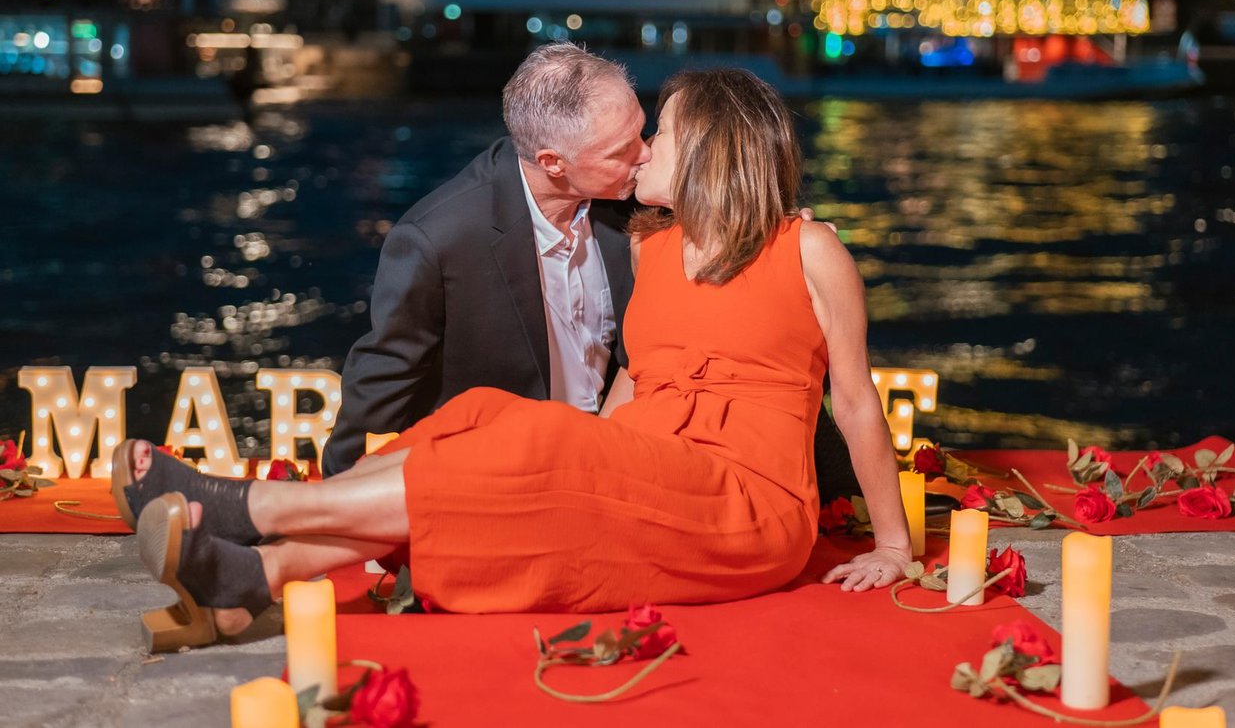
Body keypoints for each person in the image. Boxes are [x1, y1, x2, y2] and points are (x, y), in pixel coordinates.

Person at [116, 68, 912, 652]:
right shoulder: (652, 247)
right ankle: (256, 579)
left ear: (711, 149)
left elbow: (853, 404)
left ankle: (250, 509)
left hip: (748, 507)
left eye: (660, 133)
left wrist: (893, 546)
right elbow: (633, 377)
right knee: (480, 415)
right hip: (654, 473)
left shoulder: (809, 250)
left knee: (541, 439)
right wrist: (595, 459)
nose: (643, 152)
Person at [320, 43, 650, 476]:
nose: (645, 154)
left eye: (642, 132)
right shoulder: (439, 239)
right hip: (496, 472)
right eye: (621, 151)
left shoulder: (634, 199)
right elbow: (385, 380)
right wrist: (338, 491)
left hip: (612, 460)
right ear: (552, 162)